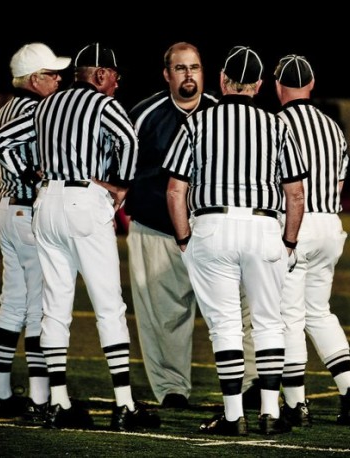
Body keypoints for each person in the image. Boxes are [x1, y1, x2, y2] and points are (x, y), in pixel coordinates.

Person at [0, 43, 161, 431]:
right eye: (114, 76)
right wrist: (121, 187)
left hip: (46, 202)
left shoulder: (46, 106)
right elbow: (129, 142)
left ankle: (58, 402)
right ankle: (124, 404)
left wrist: (32, 173)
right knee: (108, 306)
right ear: (100, 75)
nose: (116, 83)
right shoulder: (102, 104)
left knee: (54, 306)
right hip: (84, 200)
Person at [164, 46, 307, 436]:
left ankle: (232, 415)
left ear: (223, 80)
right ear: (259, 85)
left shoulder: (197, 123)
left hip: (213, 225)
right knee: (268, 322)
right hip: (263, 227)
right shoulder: (279, 126)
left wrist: (184, 240)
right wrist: (289, 243)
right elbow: (296, 193)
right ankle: (271, 413)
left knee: (225, 324)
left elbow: (176, 191)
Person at [124, 42, 259, 410]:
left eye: (195, 67)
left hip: (212, 230)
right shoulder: (143, 115)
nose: (188, 75)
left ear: (205, 72)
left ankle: (251, 384)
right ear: (166, 74)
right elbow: (118, 169)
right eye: (180, 68)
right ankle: (171, 389)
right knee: (163, 316)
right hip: (156, 229)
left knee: (239, 308)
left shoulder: (222, 112)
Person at [272, 55, 350, 426]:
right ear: (311, 85)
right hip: (330, 224)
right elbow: (340, 183)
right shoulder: (333, 127)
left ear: (279, 86)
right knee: (319, 311)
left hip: (296, 226)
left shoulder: (275, 124)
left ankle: (296, 403)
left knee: (289, 316)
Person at [0, 42, 71, 423]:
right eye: (52, 74)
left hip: (6, 210)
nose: (59, 79)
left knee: (14, 301)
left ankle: (0, 391)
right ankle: (39, 397)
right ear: (35, 78)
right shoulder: (38, 108)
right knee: (39, 305)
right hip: (29, 211)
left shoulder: (6, 106)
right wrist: (30, 173)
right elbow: (2, 148)